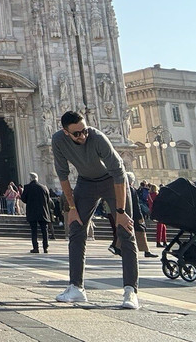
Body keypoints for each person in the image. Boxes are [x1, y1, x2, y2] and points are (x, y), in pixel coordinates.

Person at [51, 110, 139, 310]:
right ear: (66, 132)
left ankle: (130, 291)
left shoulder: (97, 137)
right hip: (86, 183)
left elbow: (118, 173)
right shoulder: (58, 140)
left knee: (126, 232)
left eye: (84, 131)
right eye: (76, 134)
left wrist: (120, 211)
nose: (82, 136)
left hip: (113, 181)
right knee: (76, 229)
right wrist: (72, 207)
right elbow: (62, 174)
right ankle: (76, 287)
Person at [19, 173, 51, 253]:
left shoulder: (27, 187)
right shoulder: (44, 187)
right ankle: (45, 247)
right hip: (43, 212)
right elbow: (48, 200)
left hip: (32, 211)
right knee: (44, 230)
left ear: (30, 179)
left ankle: (35, 247)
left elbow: (23, 199)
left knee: (34, 231)